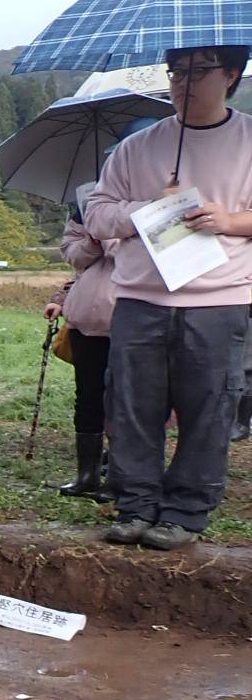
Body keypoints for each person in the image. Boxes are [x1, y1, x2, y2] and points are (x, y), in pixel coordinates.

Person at [85, 45, 252, 550]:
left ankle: (185, 512)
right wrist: (145, 208)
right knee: (133, 405)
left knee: (209, 408)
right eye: (176, 71)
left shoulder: (249, 139)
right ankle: (135, 504)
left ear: (231, 75)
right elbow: (96, 214)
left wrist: (230, 221)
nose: (183, 81)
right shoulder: (137, 148)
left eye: (199, 71)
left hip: (219, 300)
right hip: (141, 300)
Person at [47, 186, 118, 498]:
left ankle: (122, 475)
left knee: (130, 398)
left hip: (136, 312)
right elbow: (74, 257)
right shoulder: (88, 201)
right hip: (87, 316)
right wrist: (94, 237)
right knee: (88, 395)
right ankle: (87, 476)